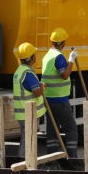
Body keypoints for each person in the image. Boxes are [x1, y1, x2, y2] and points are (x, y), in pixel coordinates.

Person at [42, 28, 79, 158]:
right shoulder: (58, 57)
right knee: (71, 128)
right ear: (62, 43)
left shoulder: (47, 56)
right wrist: (71, 60)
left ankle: (52, 157)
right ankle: (72, 157)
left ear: (52, 41)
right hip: (60, 100)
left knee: (52, 129)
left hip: (48, 98)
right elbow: (65, 74)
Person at [12, 42, 46, 156]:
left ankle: (24, 163)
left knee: (25, 139)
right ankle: (24, 165)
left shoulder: (19, 71)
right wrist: (42, 86)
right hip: (28, 113)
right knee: (28, 140)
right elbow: (37, 93)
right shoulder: (28, 74)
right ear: (31, 58)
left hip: (22, 113)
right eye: (34, 54)